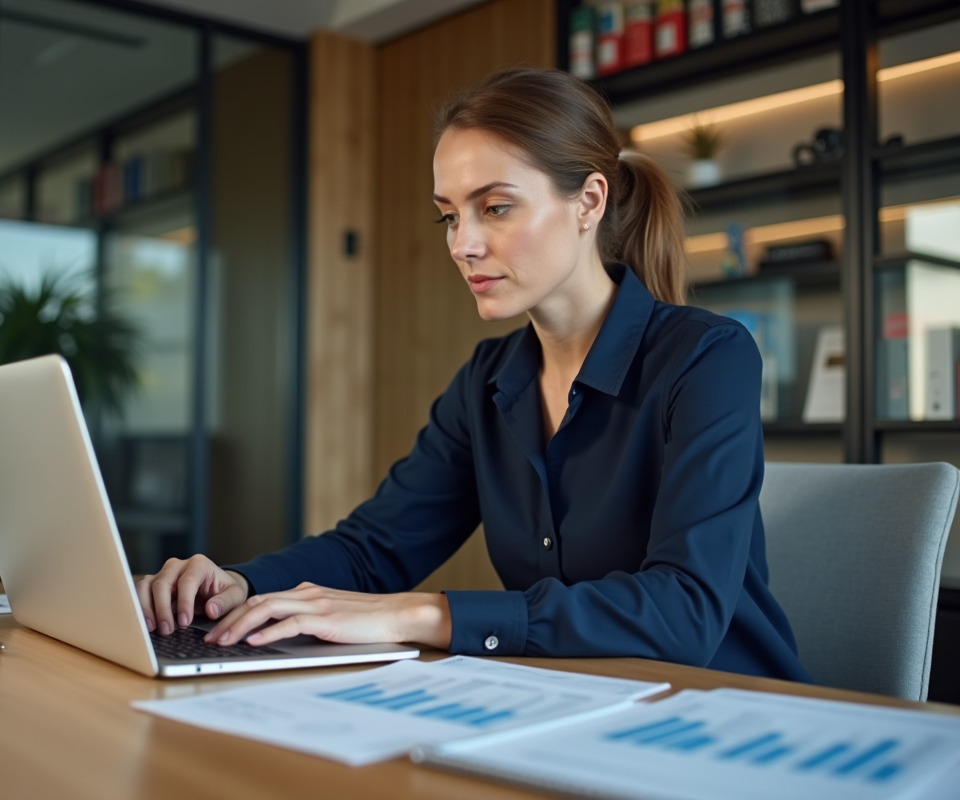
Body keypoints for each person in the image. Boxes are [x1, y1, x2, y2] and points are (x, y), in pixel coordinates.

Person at [135, 67, 810, 682]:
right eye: (450, 216)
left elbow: (683, 612)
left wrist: (418, 616)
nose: (463, 244)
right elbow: (375, 549)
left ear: (589, 201)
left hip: (728, 711)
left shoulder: (707, 357)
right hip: (574, 703)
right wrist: (236, 585)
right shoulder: (489, 380)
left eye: (496, 207)